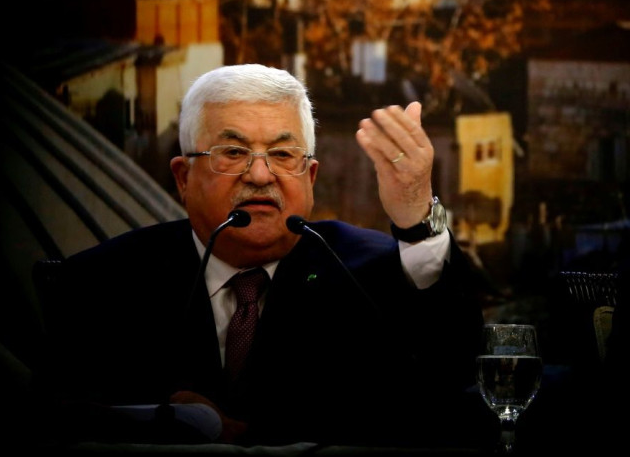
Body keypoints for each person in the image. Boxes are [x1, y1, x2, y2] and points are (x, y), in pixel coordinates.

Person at [37, 64, 488, 448]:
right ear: (182, 178)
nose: (259, 174)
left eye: (282, 154)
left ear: (310, 177)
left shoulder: (369, 274)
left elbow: (451, 372)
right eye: (232, 152)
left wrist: (416, 216)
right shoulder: (101, 283)